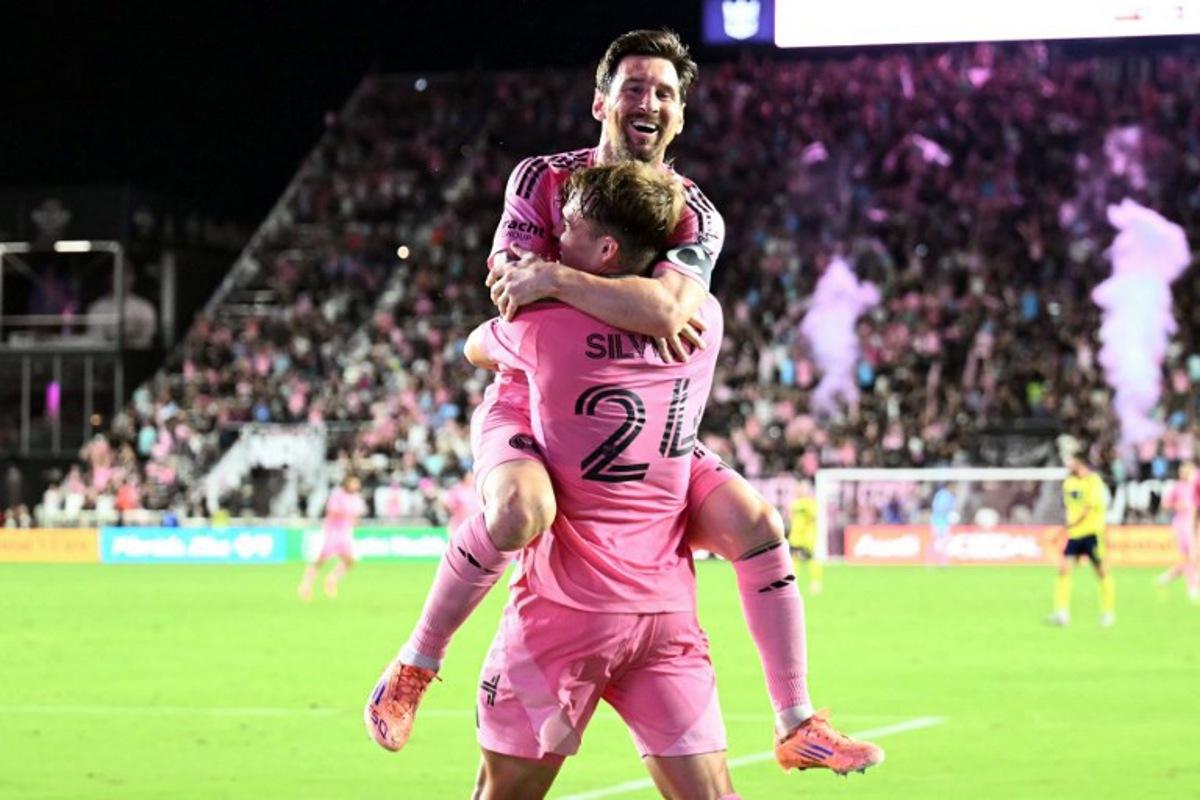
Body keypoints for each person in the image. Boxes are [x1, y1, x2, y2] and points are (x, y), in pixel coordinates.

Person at [378, 28, 880, 776]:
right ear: (602, 101)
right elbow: (513, 296)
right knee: (520, 512)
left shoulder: (695, 212)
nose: (650, 101)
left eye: (667, 93)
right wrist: (608, 300)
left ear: (680, 118)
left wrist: (559, 281)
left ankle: (797, 720)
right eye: (636, 86)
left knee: (757, 522)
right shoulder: (540, 180)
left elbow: (667, 312)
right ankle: (416, 663)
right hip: (529, 397)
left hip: (637, 413)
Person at [1049, 454, 1116, 626]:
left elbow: (1087, 508)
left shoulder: (1094, 481)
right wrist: (1069, 527)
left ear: (1080, 462)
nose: (1067, 464)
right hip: (1074, 535)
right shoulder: (1068, 483)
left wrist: (1068, 526)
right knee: (1064, 570)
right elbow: (1070, 508)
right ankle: (1062, 613)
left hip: (1091, 533)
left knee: (1101, 572)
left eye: (1070, 460)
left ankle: (1107, 612)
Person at [298, 475, 365, 600]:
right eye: (354, 483)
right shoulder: (337, 495)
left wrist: (354, 520)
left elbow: (356, 516)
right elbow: (332, 511)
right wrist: (346, 513)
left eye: (357, 483)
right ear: (347, 483)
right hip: (333, 532)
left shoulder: (356, 498)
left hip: (345, 533)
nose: (356, 486)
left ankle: (332, 579)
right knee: (320, 561)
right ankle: (305, 587)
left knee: (351, 561)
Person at [1156, 462, 1199, 602]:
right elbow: (1165, 504)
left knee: (1194, 556)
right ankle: (1192, 586)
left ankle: (1165, 578)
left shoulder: (1195, 486)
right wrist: (1176, 506)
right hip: (1182, 525)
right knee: (1189, 556)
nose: (1184, 474)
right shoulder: (1177, 487)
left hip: (1195, 524)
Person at [787, 480, 823, 594]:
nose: (799, 490)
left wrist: (809, 533)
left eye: (802, 488)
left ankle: (816, 583)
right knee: (793, 559)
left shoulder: (810, 503)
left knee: (810, 559)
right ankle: (792, 583)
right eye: (798, 488)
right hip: (795, 537)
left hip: (806, 538)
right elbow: (791, 518)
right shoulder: (794, 503)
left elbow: (814, 518)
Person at [928, 484, 956, 568]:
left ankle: (940, 562)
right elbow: (941, 507)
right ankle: (933, 561)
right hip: (939, 521)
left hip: (941, 521)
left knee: (941, 542)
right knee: (937, 541)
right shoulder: (946, 495)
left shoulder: (941, 495)